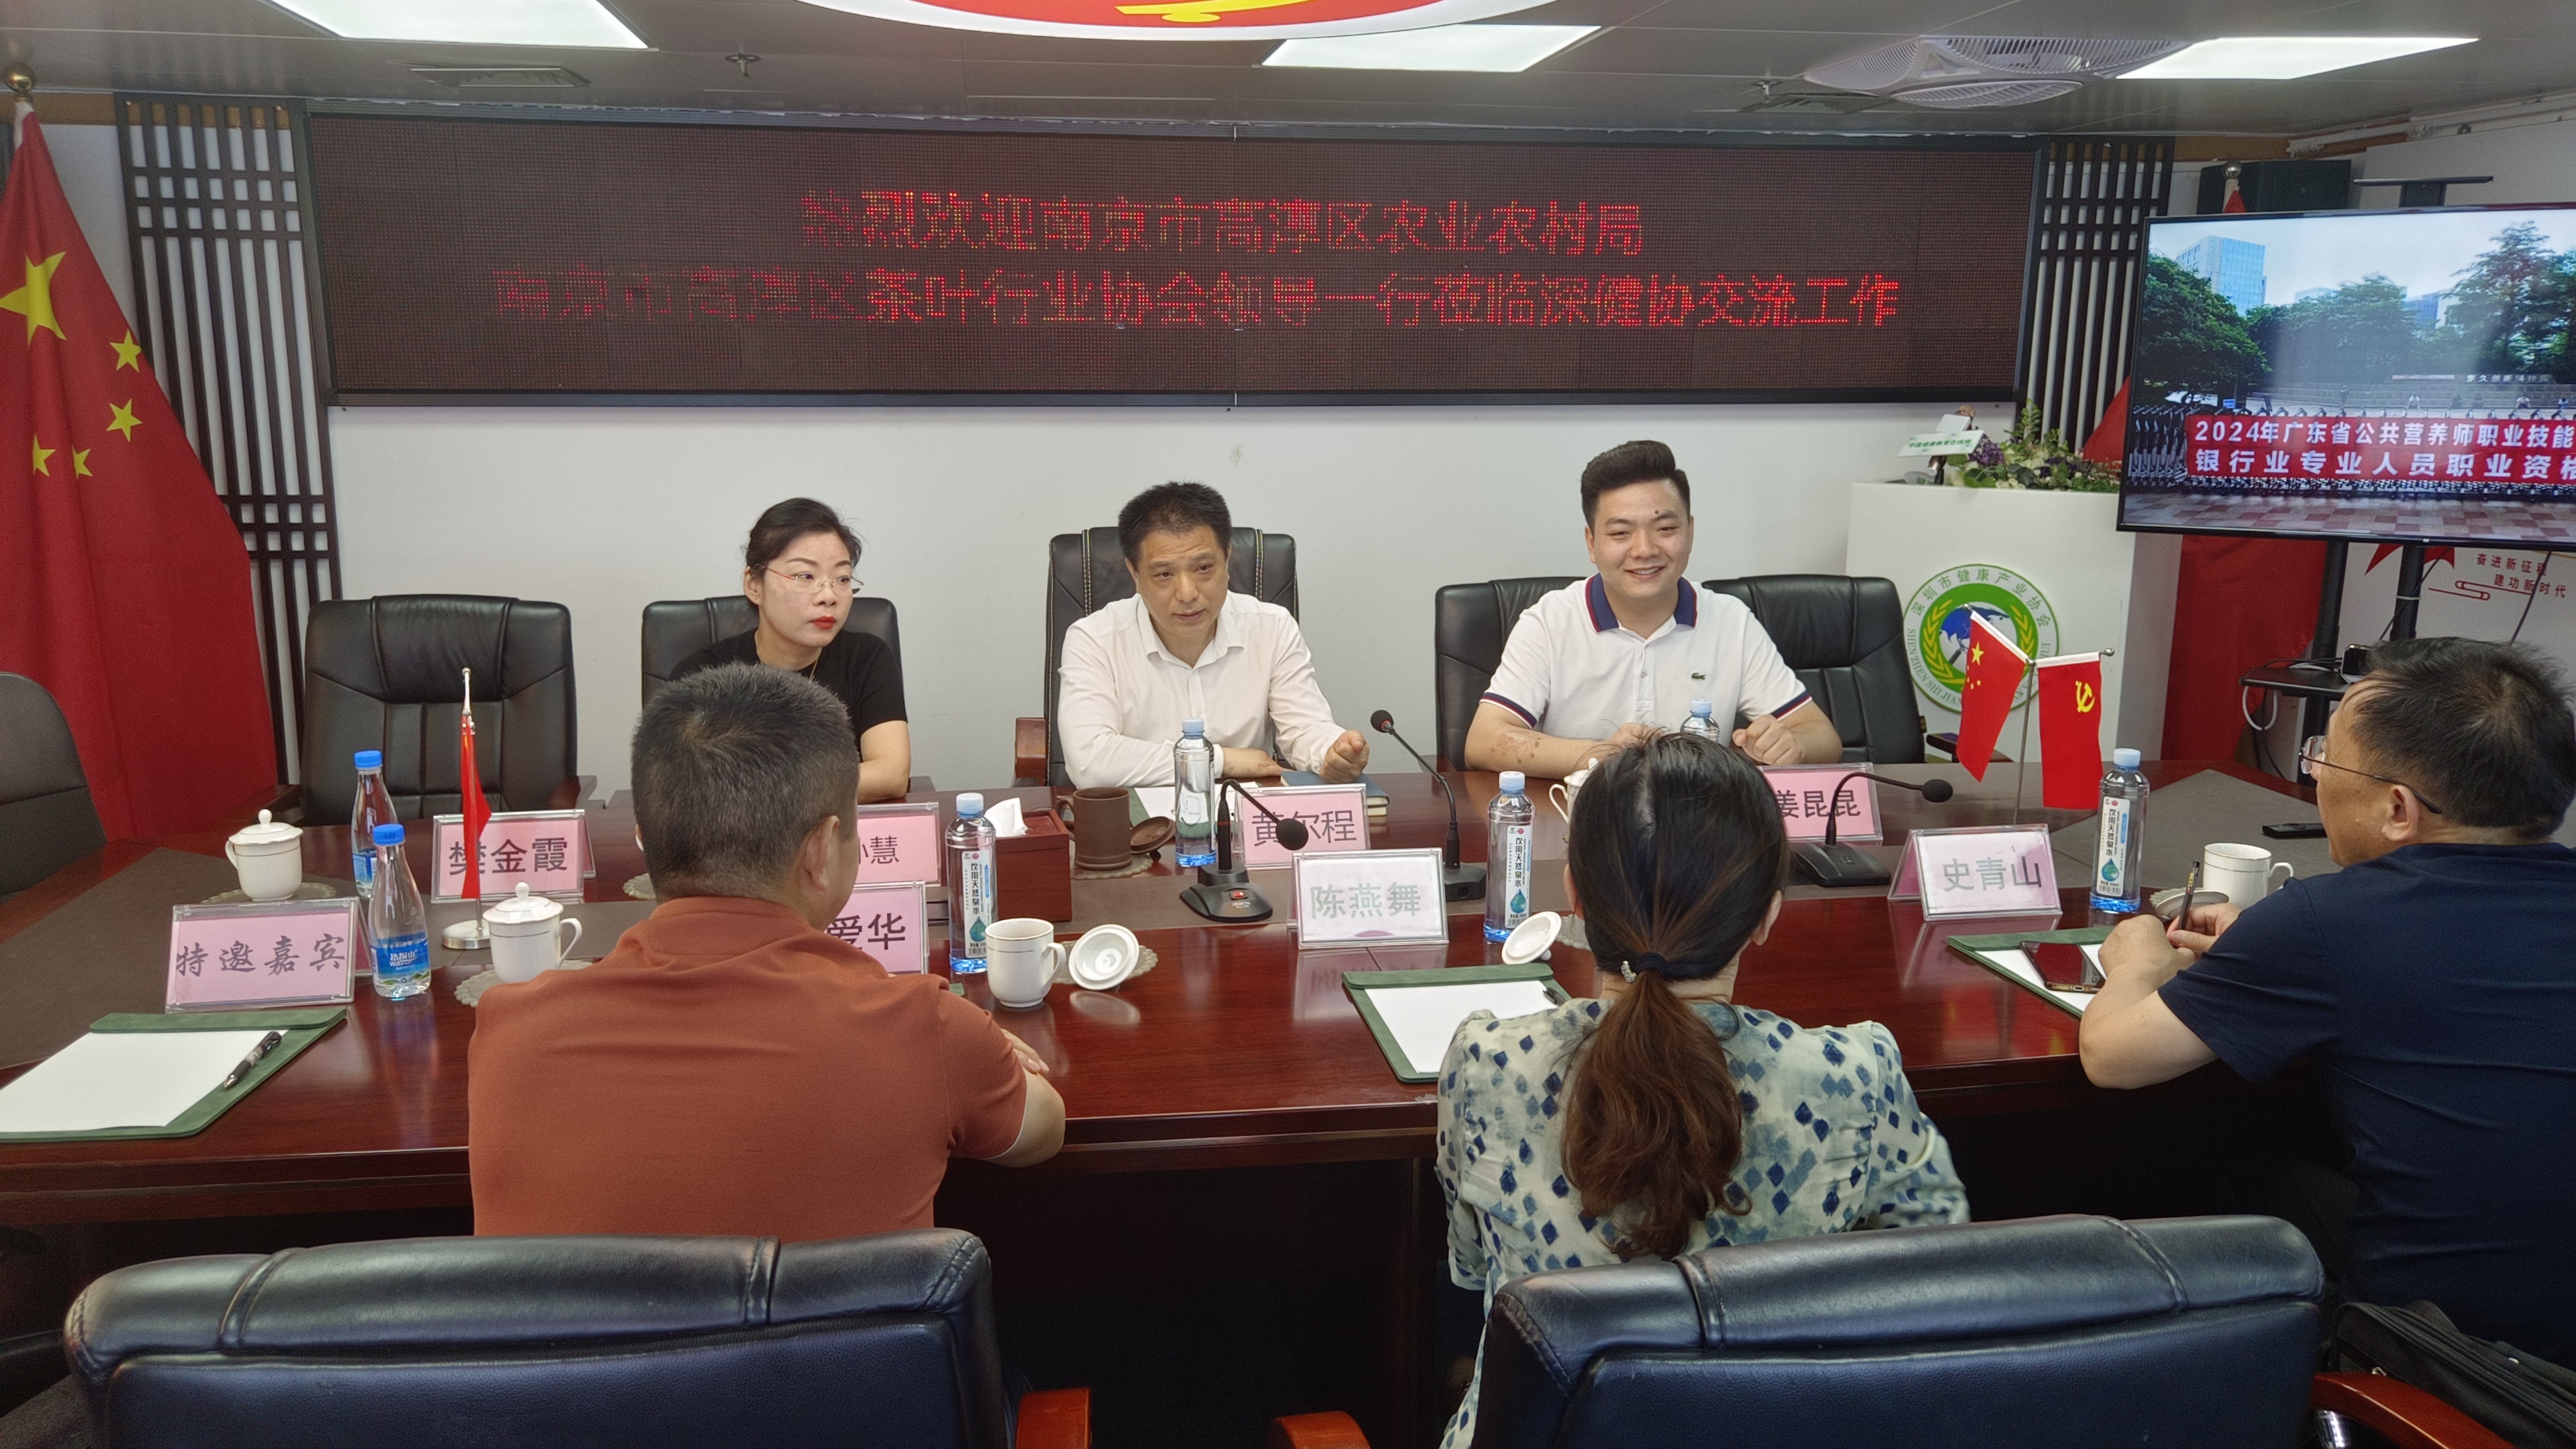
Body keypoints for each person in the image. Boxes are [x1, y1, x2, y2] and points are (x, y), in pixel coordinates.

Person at [1434, 733, 1966, 1449]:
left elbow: (1470, 1267)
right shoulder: (1854, 1074)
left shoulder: (1487, 1063)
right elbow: (1939, 1267)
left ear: (1575, 899)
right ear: (1767, 916)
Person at [2081, 638, 2576, 1365]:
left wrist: (2136, 961)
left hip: (2454, 1359)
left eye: (2325, 760)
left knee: (2217, 1169)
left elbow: (2112, 1057)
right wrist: (2269, 951)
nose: (2314, 776)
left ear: (2398, 808)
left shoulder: (2327, 922)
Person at [470, 663, 1063, 1241]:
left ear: (645, 841)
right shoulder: (923, 1028)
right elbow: (1043, 1130)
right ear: (822, 850)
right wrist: (977, 1049)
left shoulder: (511, 1032)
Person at [1464, 441, 1842, 777]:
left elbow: (1821, 735)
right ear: (1592, 543)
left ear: (1690, 532)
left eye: (1665, 529)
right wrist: (1605, 756)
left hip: (1698, 820)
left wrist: (1793, 745)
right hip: (1579, 818)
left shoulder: (1730, 621)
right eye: (1620, 533)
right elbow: (1484, 741)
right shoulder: (1549, 622)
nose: (1644, 550)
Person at [1056, 482, 1369, 787]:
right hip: (1136, 819)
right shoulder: (1094, 639)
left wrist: (1331, 752)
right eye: (1164, 574)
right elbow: (1089, 761)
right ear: (1134, 573)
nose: (1187, 593)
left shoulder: (1272, 627)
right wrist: (1220, 760)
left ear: (1227, 560)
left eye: (1203, 568)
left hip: (1246, 814)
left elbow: (1304, 728)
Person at [672, 498, 910, 802]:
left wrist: (762, 789)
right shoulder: (702, 676)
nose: (829, 596)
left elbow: (891, 774)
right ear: (754, 584)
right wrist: (818, 785)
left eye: (842, 579)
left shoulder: (865, 657)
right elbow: (684, 788)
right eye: (805, 576)